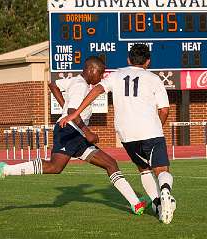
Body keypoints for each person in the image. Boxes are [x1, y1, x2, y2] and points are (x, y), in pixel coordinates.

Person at [0, 56, 148, 215]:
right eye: (100, 73)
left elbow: (53, 85)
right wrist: (88, 132)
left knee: (110, 164)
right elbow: (72, 112)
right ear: (91, 70)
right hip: (70, 131)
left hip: (75, 134)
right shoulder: (80, 86)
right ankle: (5, 169)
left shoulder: (74, 80)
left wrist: (64, 107)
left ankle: (136, 203)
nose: (101, 77)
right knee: (54, 167)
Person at [59, 44, 176, 224]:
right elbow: (164, 110)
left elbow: (97, 90)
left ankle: (158, 204)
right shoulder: (154, 78)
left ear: (128, 59)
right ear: (148, 61)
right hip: (151, 129)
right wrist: (157, 127)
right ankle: (166, 190)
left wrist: (75, 112)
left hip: (126, 134)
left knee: (144, 170)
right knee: (161, 170)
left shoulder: (116, 75)